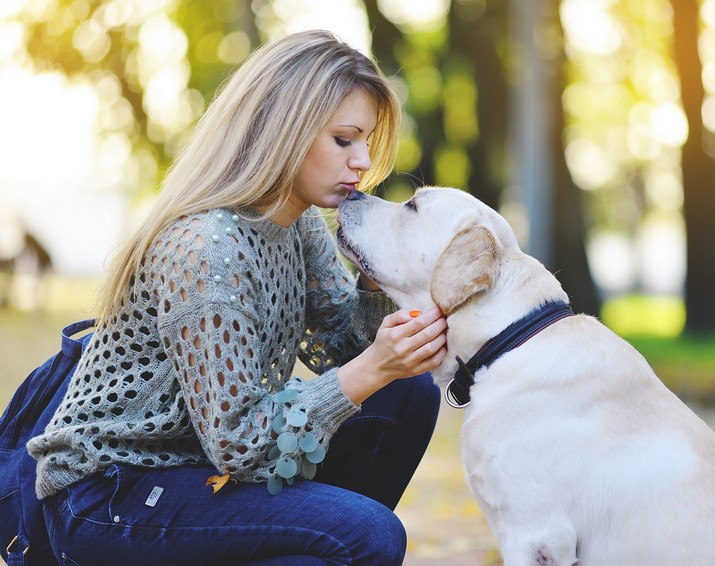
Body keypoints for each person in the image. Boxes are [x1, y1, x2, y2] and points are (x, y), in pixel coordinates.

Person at [26, 29, 447, 565]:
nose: (363, 161)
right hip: (111, 493)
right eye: (345, 140)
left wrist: (375, 265)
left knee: (407, 395)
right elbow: (241, 439)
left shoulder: (297, 225)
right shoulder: (206, 249)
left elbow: (344, 345)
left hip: (205, 474)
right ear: (284, 131)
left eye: (365, 141)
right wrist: (376, 366)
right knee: (370, 534)